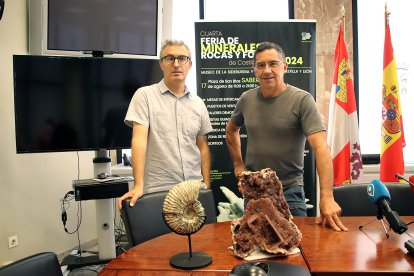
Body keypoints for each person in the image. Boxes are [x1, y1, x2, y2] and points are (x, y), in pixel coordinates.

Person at [226, 41, 347, 231]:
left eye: (273, 63)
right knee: (256, 250)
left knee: (296, 250)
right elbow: (231, 130)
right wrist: (238, 165)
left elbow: (321, 148)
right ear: (255, 70)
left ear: (285, 66)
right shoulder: (246, 99)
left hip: (289, 192)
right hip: (254, 192)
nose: (267, 70)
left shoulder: (302, 100)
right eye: (261, 65)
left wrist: (327, 196)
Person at [118, 40, 213, 209]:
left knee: (199, 237)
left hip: (194, 189)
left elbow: (202, 146)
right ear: (161, 64)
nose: (176, 64)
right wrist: (138, 184)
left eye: (182, 59)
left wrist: (206, 183)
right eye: (170, 58)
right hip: (158, 189)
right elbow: (138, 140)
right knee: (161, 236)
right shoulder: (145, 96)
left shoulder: (198, 103)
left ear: (189, 64)